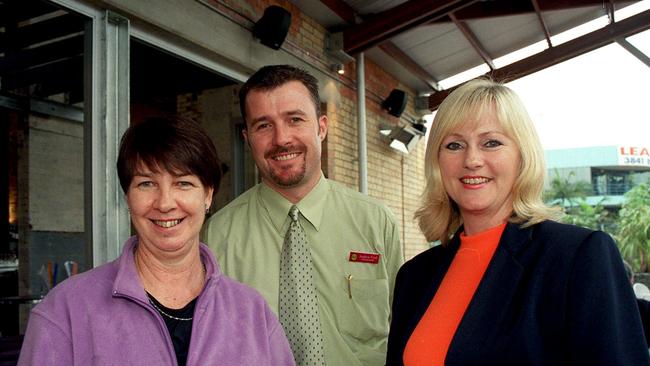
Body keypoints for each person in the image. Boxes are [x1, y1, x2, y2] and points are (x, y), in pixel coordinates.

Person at [385, 78, 650, 365]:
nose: (472, 159)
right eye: (454, 145)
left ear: (522, 157)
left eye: (491, 143)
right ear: (437, 162)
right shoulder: (414, 276)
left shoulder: (578, 257)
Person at [18, 116, 295, 366]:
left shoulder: (253, 313)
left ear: (208, 195)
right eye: (146, 184)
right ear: (127, 197)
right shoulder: (65, 312)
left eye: (183, 183)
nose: (164, 203)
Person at [204, 65, 403, 366]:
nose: (282, 139)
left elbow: (406, 332)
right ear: (247, 138)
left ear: (322, 127)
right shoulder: (217, 235)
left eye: (295, 119)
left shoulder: (376, 222)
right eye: (263, 126)